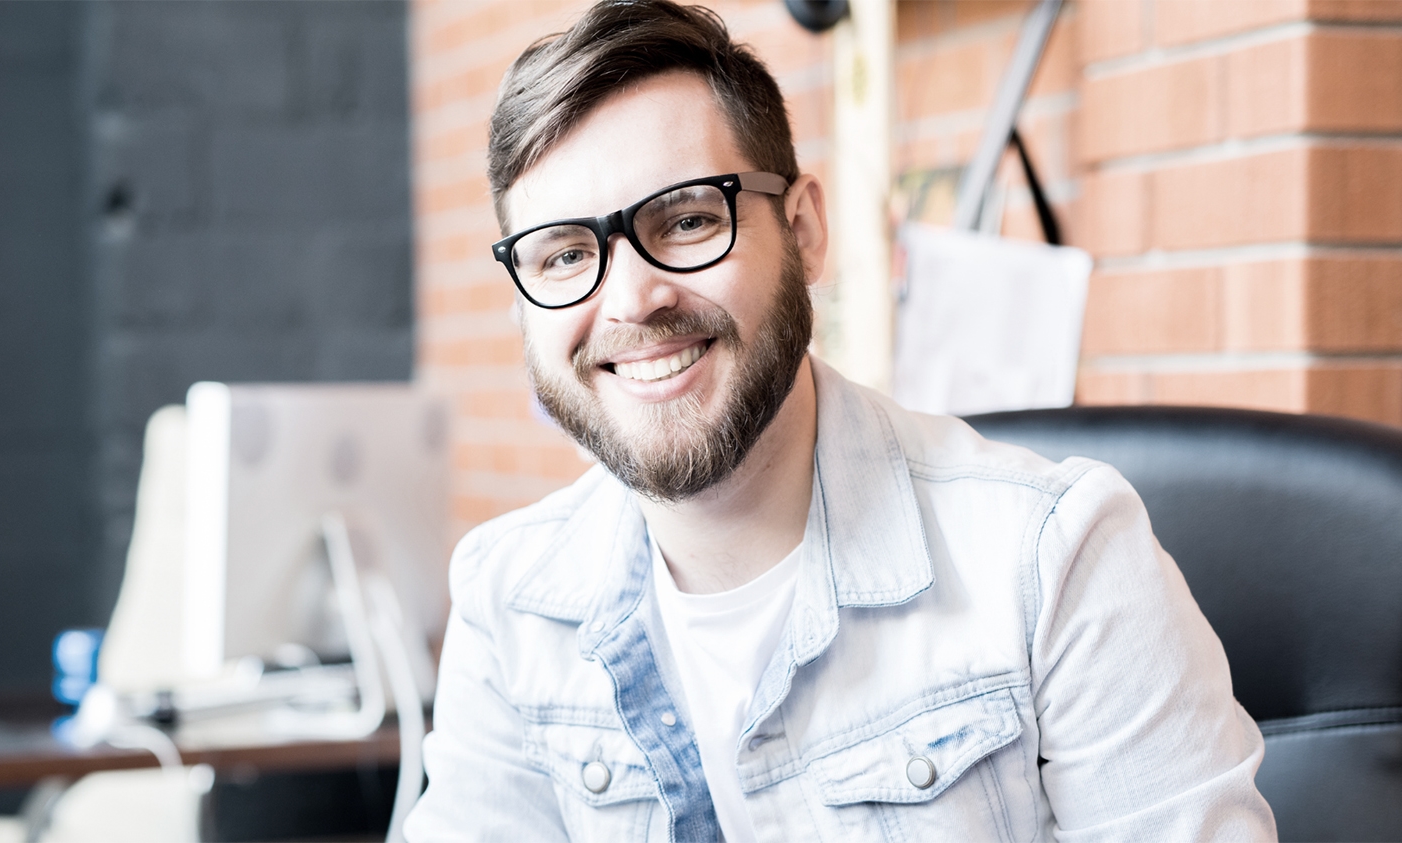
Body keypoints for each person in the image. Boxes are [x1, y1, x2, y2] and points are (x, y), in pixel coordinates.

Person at [403, 1, 1276, 840]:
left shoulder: (1056, 559)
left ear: (805, 230)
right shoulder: (508, 602)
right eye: (564, 254)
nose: (633, 297)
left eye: (689, 220)